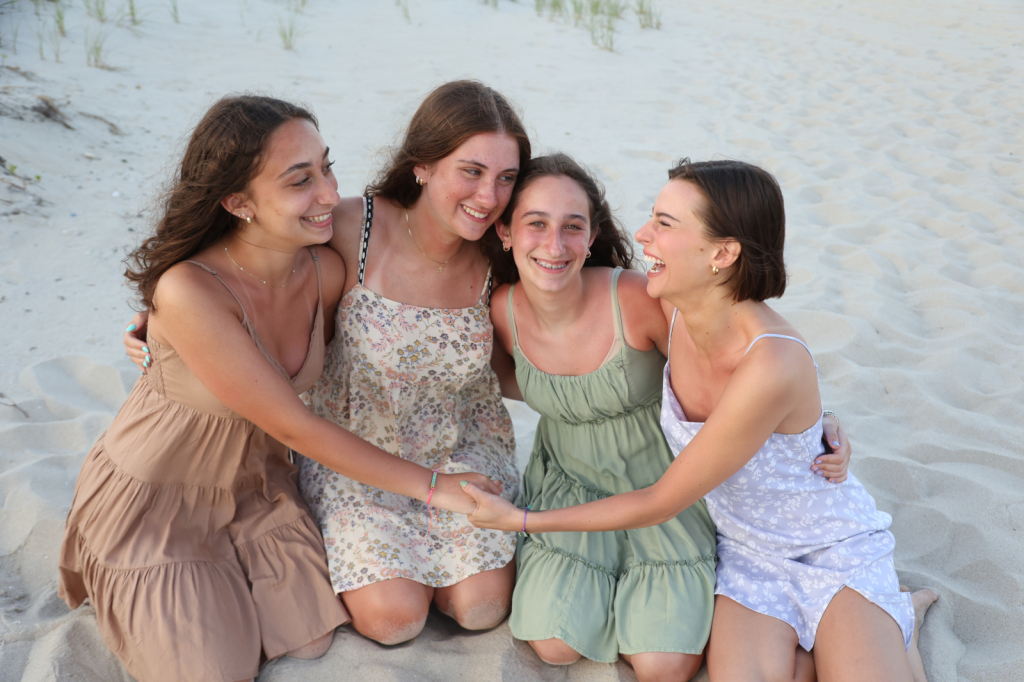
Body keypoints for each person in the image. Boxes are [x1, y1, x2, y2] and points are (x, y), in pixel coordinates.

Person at [61, 95, 500, 682]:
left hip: (259, 489)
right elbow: (295, 424)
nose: (327, 193)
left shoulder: (323, 268)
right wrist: (434, 488)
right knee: (215, 672)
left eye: (326, 166)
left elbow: (409, 301)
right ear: (238, 202)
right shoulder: (191, 291)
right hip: (162, 501)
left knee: (314, 641)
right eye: (300, 180)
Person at [465, 159, 937, 682]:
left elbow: (663, 498)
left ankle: (895, 621)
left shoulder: (766, 356)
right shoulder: (679, 312)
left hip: (824, 543)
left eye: (665, 224)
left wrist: (521, 521)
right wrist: (818, 414)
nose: (643, 235)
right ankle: (829, 646)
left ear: (722, 253)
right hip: (743, 551)